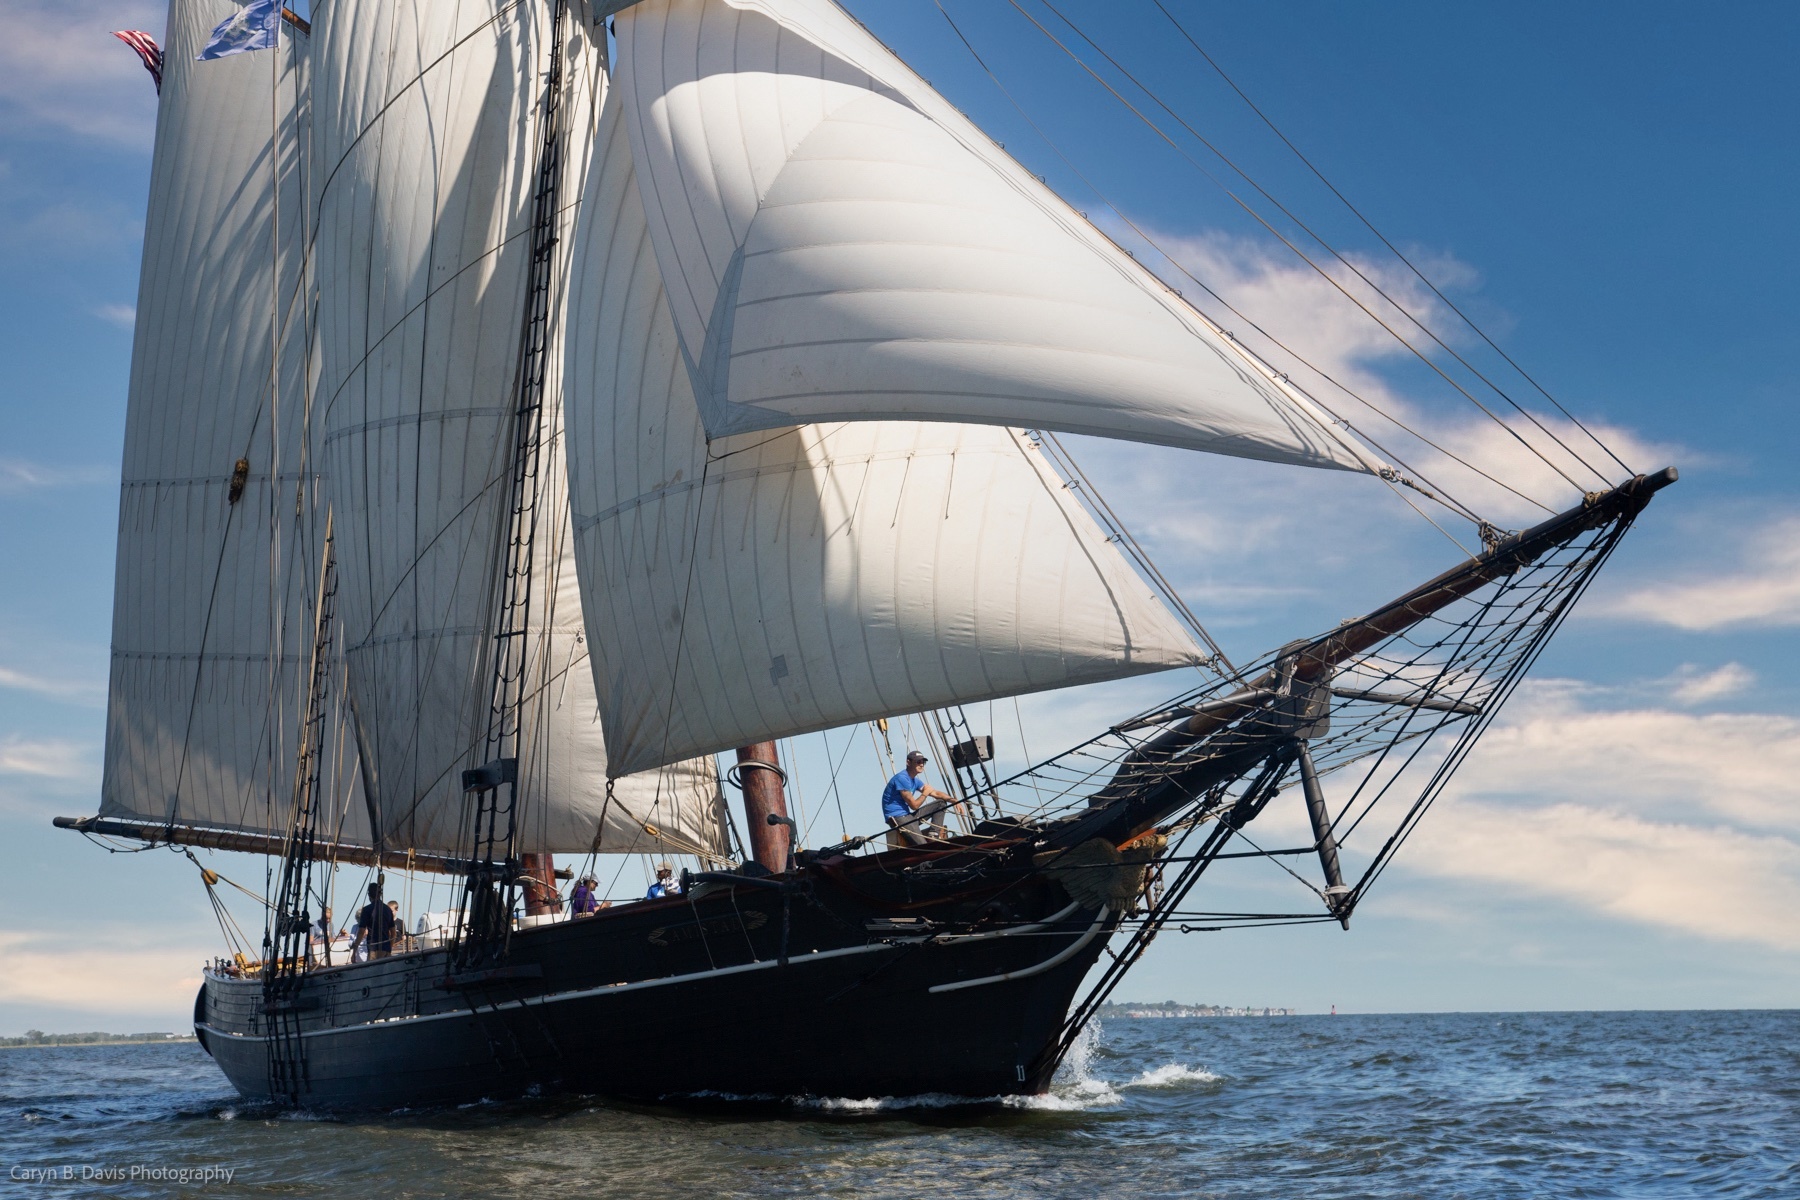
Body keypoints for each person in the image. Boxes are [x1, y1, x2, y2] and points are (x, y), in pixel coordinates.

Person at [881, 750, 965, 847]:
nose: (921, 765)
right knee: (923, 846)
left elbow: (935, 793)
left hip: (908, 817)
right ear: (908, 762)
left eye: (923, 762)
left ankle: (933, 835)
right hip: (898, 818)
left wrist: (954, 801)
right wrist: (925, 793)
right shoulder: (902, 778)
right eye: (918, 762)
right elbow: (914, 806)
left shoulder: (914, 780)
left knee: (941, 803)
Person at [350, 882, 398, 961]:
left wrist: (354, 951)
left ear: (369, 895)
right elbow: (393, 933)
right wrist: (389, 948)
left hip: (373, 949)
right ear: (380, 894)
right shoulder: (388, 910)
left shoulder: (366, 910)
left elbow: (361, 932)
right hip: (386, 949)